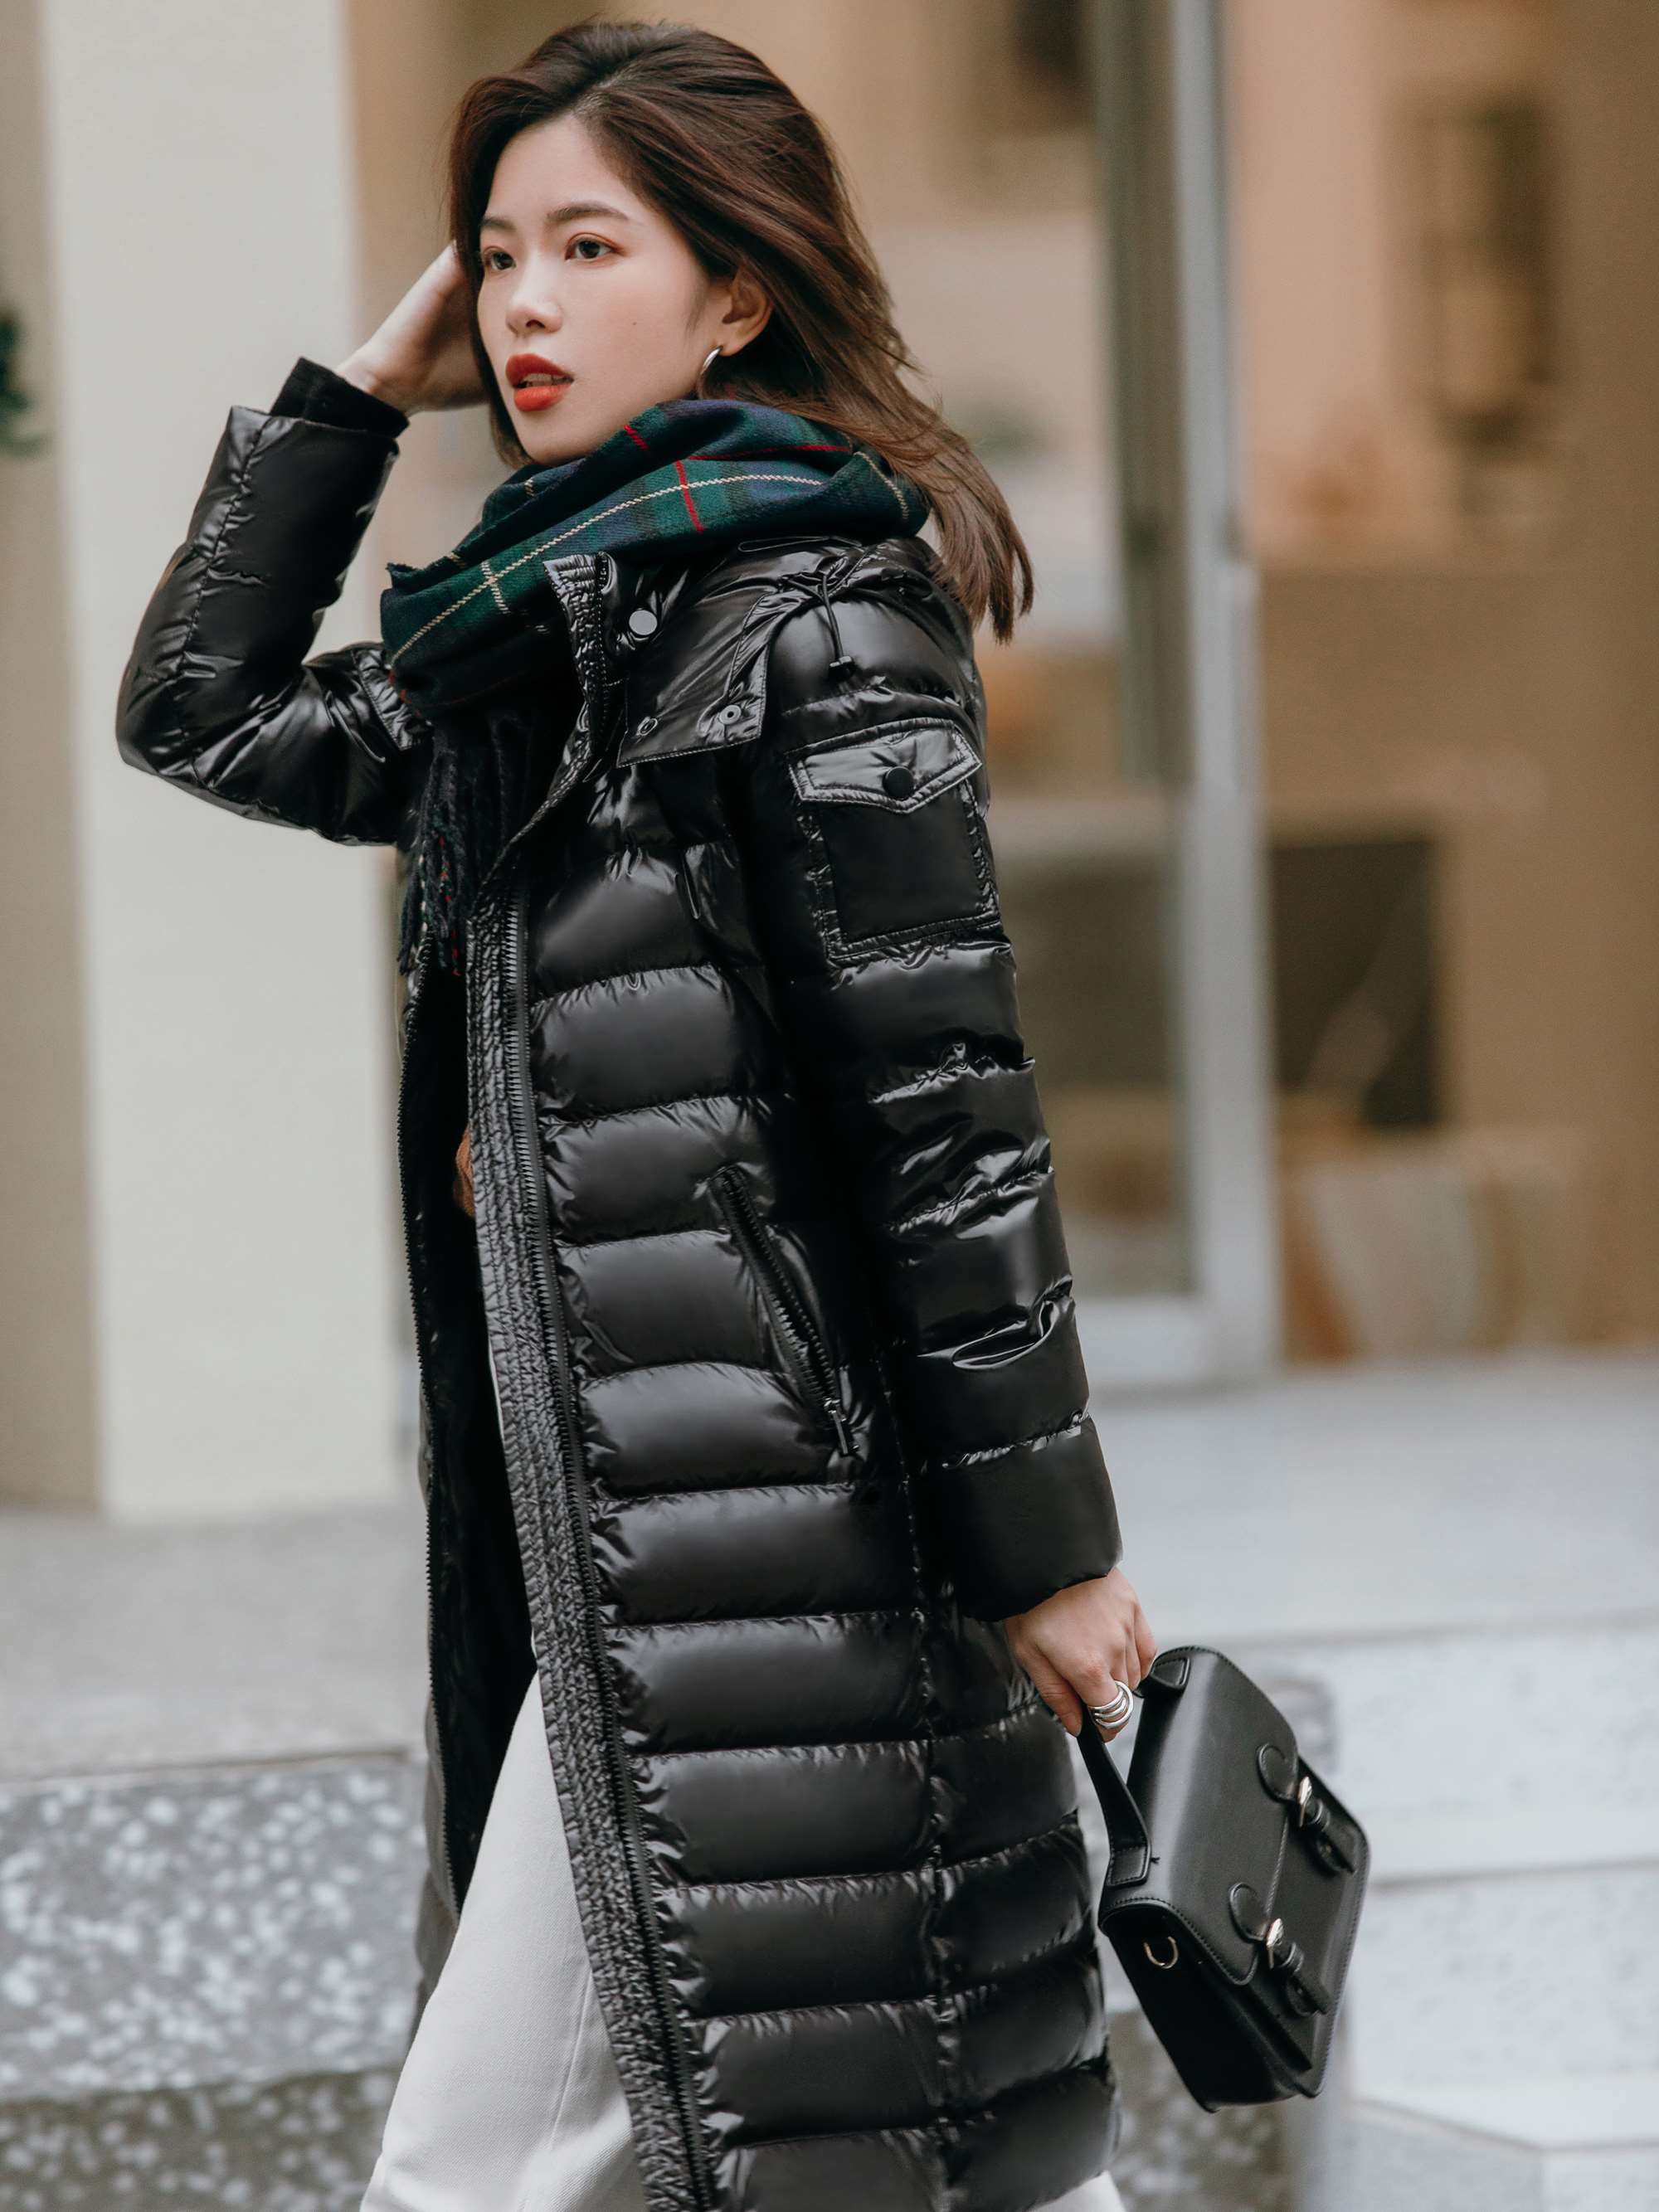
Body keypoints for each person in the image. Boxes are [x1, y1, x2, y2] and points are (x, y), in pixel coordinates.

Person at [115, 17, 1158, 2211]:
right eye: (500, 255)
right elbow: (203, 712)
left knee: (503, 2165)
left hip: (787, 1553)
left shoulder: (822, 626)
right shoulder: (543, 632)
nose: (525, 305)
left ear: (737, 291)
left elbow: (947, 1125)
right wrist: (353, 398)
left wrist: (1056, 1554)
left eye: (592, 248)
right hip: (622, 1555)